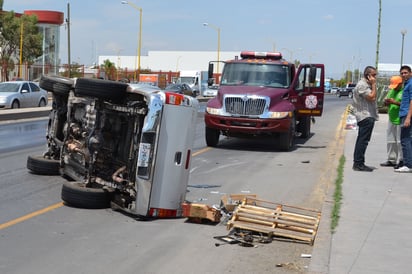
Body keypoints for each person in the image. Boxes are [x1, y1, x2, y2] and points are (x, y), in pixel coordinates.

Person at [352, 66, 379, 172]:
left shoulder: (366, 84)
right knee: (363, 140)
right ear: (368, 75)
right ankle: (358, 163)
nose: (375, 77)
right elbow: (372, 96)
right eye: (374, 75)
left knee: (363, 140)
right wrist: (373, 84)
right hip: (365, 116)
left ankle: (359, 162)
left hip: (368, 115)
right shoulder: (362, 85)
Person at [380, 75, 403, 169]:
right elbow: (385, 103)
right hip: (391, 118)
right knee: (390, 140)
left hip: (400, 119)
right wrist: (386, 102)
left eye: (396, 85)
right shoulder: (392, 91)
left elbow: (406, 105)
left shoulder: (404, 92)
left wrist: (395, 102)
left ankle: (401, 160)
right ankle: (391, 159)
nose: (395, 87)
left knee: (399, 141)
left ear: (401, 84)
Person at [395, 65, 412, 172]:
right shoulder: (406, 84)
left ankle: (408, 164)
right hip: (404, 113)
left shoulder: (410, 84)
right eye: (402, 73)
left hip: (407, 114)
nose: (403, 75)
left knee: (405, 139)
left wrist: (408, 118)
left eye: (405, 72)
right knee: (408, 139)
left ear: (410, 73)